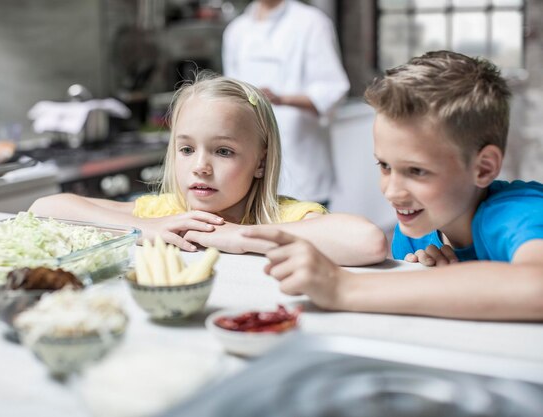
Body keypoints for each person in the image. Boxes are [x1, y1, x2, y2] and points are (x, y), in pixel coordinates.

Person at [245, 51, 543, 321]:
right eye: (385, 166)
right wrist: (436, 284)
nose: (391, 192)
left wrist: (344, 287)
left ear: (484, 168)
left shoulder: (517, 212)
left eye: (417, 171)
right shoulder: (415, 230)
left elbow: (536, 287)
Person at [29, 73, 386, 266]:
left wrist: (235, 237)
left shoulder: (282, 217)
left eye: (223, 151)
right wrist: (144, 227)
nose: (200, 166)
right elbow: (45, 209)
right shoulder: (167, 214)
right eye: (186, 149)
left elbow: (367, 242)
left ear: (260, 161)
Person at [222, 0, 349, 207]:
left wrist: (282, 99)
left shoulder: (312, 22)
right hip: (250, 171)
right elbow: (231, 92)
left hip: (303, 168)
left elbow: (332, 90)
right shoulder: (236, 30)